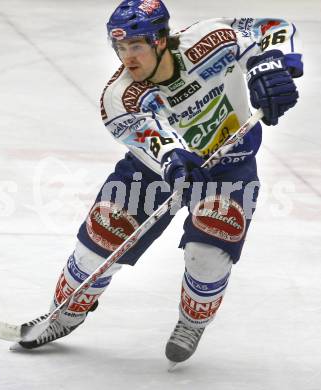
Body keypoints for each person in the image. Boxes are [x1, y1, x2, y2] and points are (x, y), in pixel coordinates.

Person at [16, 0, 303, 365]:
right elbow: (155, 144)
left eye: (135, 46)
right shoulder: (119, 97)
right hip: (153, 172)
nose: (127, 58)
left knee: (209, 252)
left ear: (161, 40)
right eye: (120, 48)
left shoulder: (210, 39)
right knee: (103, 236)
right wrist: (174, 160)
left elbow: (272, 28)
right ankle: (65, 313)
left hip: (229, 167)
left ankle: (191, 322)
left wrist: (268, 64)